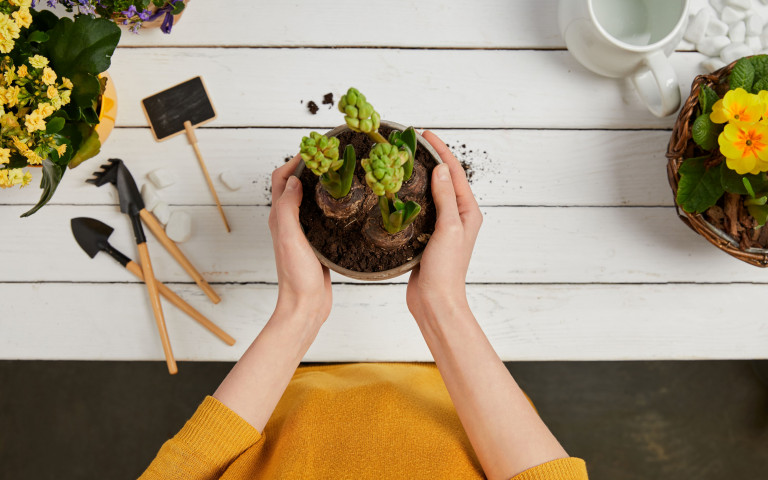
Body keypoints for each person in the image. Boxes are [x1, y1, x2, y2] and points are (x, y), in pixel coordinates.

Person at [139, 131, 588, 480]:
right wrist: (442, 305)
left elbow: (185, 467)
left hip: (276, 407)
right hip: (473, 410)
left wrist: (301, 309)